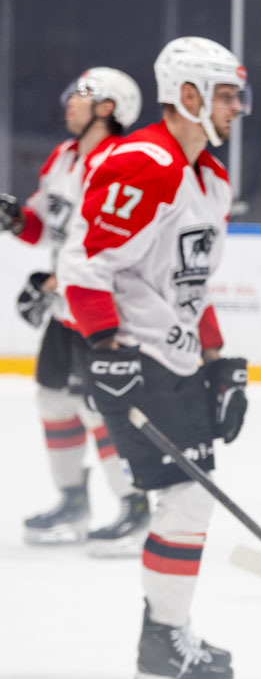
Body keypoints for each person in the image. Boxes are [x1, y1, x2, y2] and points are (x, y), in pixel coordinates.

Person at [57, 36, 251, 679]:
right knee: (187, 498)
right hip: (134, 359)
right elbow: (85, 264)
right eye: (226, 96)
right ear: (188, 95)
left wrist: (218, 361)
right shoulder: (144, 163)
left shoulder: (210, 178)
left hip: (176, 357)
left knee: (190, 500)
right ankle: (163, 651)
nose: (236, 108)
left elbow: (189, 286)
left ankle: (167, 638)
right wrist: (105, 347)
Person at [0, 67, 148, 555]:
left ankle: (134, 505)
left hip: (102, 311)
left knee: (99, 408)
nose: (70, 102)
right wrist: (16, 219)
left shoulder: (121, 165)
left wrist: (53, 281)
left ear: (108, 108)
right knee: (53, 400)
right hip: (66, 312)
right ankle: (72, 501)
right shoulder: (64, 158)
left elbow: (107, 247)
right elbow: (46, 228)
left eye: (82, 95)